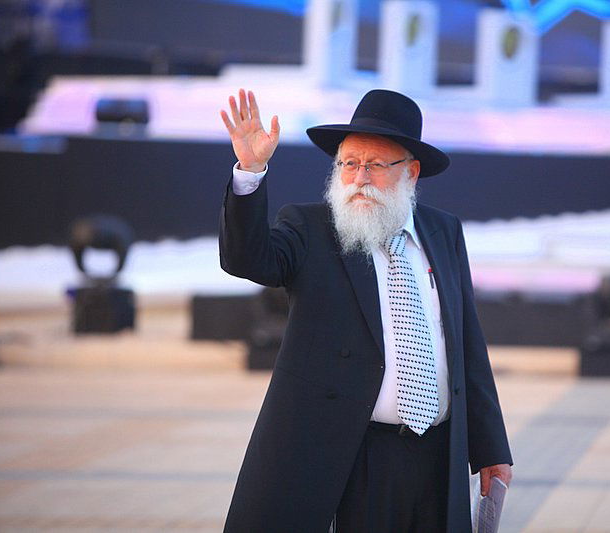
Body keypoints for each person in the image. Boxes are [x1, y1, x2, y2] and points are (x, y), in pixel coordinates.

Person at [219, 88, 512, 532]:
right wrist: (250, 171)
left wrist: (491, 448)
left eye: (375, 165)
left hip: (438, 458)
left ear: (411, 171)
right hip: (350, 456)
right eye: (349, 163)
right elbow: (248, 259)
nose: (359, 177)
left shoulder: (443, 231)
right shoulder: (310, 228)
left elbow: (467, 343)